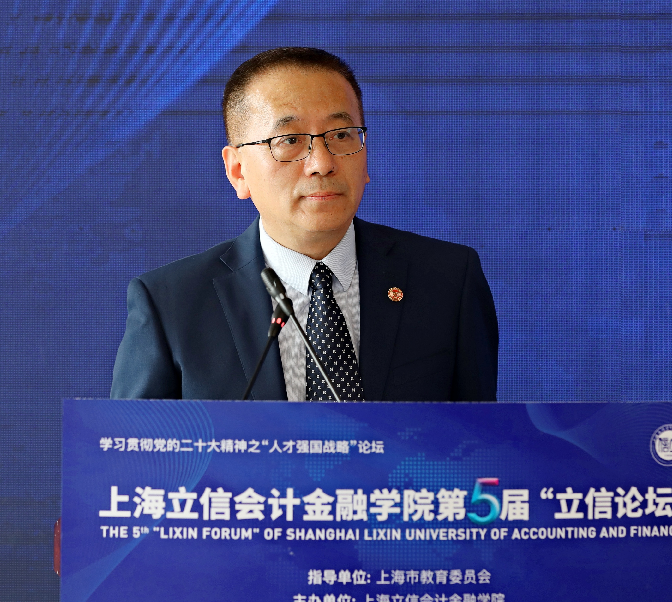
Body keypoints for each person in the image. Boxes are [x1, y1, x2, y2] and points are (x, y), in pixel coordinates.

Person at [110, 47, 498, 402]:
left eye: (341, 135)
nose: (322, 163)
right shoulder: (171, 303)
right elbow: (132, 450)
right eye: (290, 140)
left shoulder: (447, 281)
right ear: (238, 171)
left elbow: (482, 441)